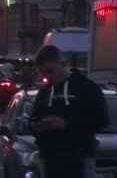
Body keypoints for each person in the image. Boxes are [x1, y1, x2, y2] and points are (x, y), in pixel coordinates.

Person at [29, 45, 108, 178]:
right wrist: (35, 126)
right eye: (43, 73)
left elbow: (101, 121)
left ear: (62, 63)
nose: (47, 77)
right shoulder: (45, 92)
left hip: (79, 157)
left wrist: (65, 124)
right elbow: (33, 118)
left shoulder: (87, 88)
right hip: (49, 158)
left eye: (50, 71)